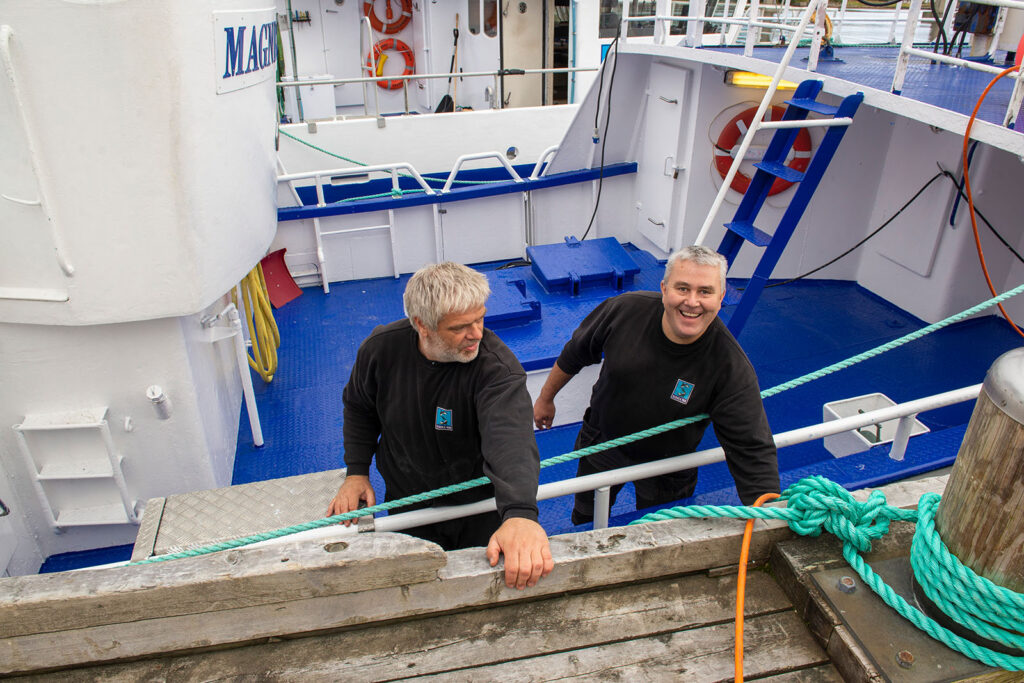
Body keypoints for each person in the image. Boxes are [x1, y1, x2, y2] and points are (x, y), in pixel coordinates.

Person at [328, 262, 553, 590]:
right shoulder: (380, 351)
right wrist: (357, 472)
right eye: (461, 327)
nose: (476, 333)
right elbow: (360, 408)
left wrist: (519, 514)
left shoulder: (497, 371)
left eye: (480, 319)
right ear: (422, 325)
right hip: (407, 503)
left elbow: (510, 441)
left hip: (479, 508)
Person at [533, 245, 779, 524]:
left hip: (669, 466)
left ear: (721, 297)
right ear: (664, 289)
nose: (692, 302)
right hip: (602, 445)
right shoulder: (624, 310)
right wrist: (545, 398)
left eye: (705, 292)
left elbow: (751, 447)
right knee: (585, 519)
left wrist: (768, 511)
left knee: (657, 530)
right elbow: (576, 352)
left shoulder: (729, 366)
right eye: (682, 288)